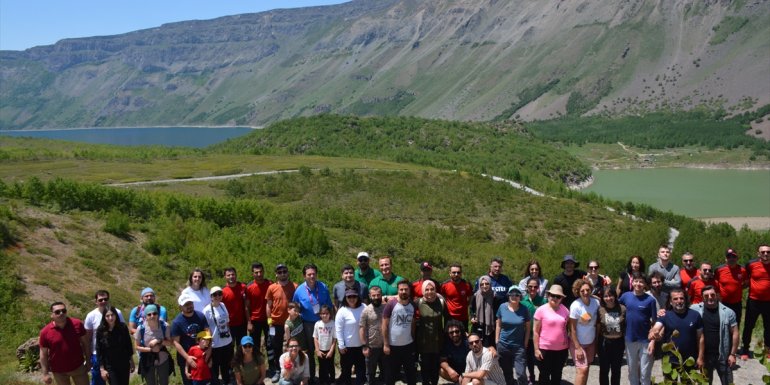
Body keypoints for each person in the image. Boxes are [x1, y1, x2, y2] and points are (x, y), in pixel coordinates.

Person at [649, 288, 703, 381]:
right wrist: (653, 332)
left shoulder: (695, 315)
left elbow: (700, 337)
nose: (679, 301)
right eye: (675, 299)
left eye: (681, 298)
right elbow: (656, 327)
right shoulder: (665, 315)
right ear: (670, 302)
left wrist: (700, 357)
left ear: (685, 300)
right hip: (670, 360)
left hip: (689, 360)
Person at [292, 263, 333, 384]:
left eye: (314, 274)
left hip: (323, 323)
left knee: (324, 349)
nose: (312, 276)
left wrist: (331, 321)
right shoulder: (299, 290)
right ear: (304, 276)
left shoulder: (323, 287)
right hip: (308, 324)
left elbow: (329, 305)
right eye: (309, 274)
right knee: (310, 352)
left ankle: (324, 377)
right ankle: (311, 377)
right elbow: (295, 307)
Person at [690, 286, 739, 385]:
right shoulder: (695, 310)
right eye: (706, 295)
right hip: (704, 356)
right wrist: (662, 312)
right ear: (702, 297)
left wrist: (733, 354)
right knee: (705, 382)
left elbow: (735, 333)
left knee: (728, 382)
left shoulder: (728, 312)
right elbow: (679, 310)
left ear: (717, 295)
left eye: (712, 295)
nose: (710, 297)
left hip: (723, 355)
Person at [618, 272, 657, 385]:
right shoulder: (625, 296)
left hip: (646, 340)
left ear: (645, 284)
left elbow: (654, 323)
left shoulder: (650, 300)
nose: (638, 284)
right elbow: (614, 307)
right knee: (632, 371)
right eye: (636, 281)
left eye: (641, 282)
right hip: (630, 338)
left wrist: (652, 341)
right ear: (632, 282)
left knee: (645, 373)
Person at [39, 302, 90, 385]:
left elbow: (86, 344)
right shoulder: (45, 332)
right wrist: (45, 373)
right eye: (57, 312)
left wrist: (88, 361)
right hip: (58, 371)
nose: (61, 313)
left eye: (64, 310)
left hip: (78, 367)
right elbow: (43, 354)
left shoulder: (77, 324)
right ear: (51, 315)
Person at [85, 290, 125, 385]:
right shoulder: (91, 316)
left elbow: (123, 333)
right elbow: (88, 338)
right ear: (96, 302)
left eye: (105, 299)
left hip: (116, 354)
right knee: (98, 381)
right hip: (97, 354)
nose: (103, 301)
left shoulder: (117, 313)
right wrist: (88, 356)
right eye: (100, 300)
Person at [266, 264, 298, 382]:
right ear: (276, 274)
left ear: (288, 273)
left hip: (291, 323)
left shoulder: (295, 286)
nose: (282, 274)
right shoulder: (272, 287)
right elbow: (268, 305)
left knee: (292, 346)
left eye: (284, 271)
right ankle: (278, 370)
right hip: (275, 323)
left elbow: (297, 304)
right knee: (276, 348)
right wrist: (269, 321)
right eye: (280, 272)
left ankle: (293, 369)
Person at [533, 285, 570, 385]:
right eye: (552, 295)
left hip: (562, 350)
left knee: (557, 375)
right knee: (544, 376)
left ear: (561, 298)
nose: (555, 298)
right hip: (545, 349)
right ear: (548, 295)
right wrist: (536, 349)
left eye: (558, 296)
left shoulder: (565, 310)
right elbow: (535, 331)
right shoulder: (541, 310)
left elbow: (568, 328)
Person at [382, 280, 417, 385]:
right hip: (393, 346)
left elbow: (413, 323)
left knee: (411, 375)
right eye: (401, 289)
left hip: (408, 345)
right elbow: (384, 325)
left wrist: (413, 339)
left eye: (406, 289)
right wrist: (386, 344)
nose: (403, 291)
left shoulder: (413, 305)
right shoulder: (391, 304)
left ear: (409, 290)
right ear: (398, 291)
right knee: (390, 376)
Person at [172, 294, 210, 385]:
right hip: (186, 357)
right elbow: (176, 342)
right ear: (180, 307)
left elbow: (207, 332)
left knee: (206, 380)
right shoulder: (177, 322)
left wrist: (209, 349)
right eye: (186, 304)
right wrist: (187, 358)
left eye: (190, 303)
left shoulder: (200, 316)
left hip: (203, 355)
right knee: (189, 381)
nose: (189, 306)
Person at [495, 286, 530, 385]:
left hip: (518, 346)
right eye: (512, 294)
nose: (514, 296)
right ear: (508, 295)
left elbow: (528, 328)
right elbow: (498, 324)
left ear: (520, 297)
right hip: (503, 345)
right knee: (507, 372)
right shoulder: (502, 307)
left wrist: (525, 342)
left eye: (517, 294)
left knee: (521, 373)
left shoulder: (524, 309)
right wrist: (497, 340)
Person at [741, 243, 770, 360]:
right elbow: (744, 278)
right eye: (763, 252)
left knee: (769, 327)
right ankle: (745, 349)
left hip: (769, 302)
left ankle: (767, 350)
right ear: (758, 254)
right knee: (748, 326)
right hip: (754, 301)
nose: (766, 254)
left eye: (768, 252)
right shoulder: (751, 264)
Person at [568, 279, 599, 385]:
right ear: (578, 291)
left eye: (588, 290)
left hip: (591, 341)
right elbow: (572, 329)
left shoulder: (596, 303)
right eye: (582, 291)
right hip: (578, 343)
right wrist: (578, 348)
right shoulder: (575, 305)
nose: (585, 292)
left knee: (587, 368)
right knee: (582, 370)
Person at [415, 280, 447, 385]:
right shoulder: (418, 302)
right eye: (427, 289)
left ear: (435, 290)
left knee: (435, 366)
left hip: (438, 340)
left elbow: (447, 319)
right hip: (423, 340)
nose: (429, 292)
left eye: (432, 289)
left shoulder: (441, 302)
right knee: (425, 366)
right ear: (423, 291)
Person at [95, 306, 135, 385]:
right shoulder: (101, 330)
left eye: (112, 315)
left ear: (116, 315)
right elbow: (99, 350)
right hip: (110, 365)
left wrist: (131, 361)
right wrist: (102, 369)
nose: (110, 318)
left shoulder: (122, 327)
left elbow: (128, 344)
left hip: (124, 363)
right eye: (107, 316)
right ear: (104, 317)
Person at [135, 304, 172, 385]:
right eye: (149, 314)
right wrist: (151, 350)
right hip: (147, 359)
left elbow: (170, 343)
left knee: (164, 382)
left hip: (163, 358)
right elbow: (137, 347)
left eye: (154, 313)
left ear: (158, 314)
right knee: (150, 383)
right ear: (145, 316)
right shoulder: (141, 328)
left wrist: (158, 341)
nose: (152, 316)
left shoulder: (165, 326)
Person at [203, 286, 234, 385]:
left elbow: (227, 322)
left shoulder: (223, 305)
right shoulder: (206, 310)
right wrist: (208, 344)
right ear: (211, 296)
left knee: (226, 365)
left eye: (219, 294)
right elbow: (205, 328)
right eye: (215, 294)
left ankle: (227, 381)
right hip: (215, 344)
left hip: (227, 341)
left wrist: (230, 337)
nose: (217, 296)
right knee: (215, 367)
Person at [336, 290, 366, 385]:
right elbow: (338, 329)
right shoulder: (342, 311)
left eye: (354, 296)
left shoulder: (364, 307)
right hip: (347, 347)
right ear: (345, 298)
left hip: (361, 345)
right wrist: (341, 345)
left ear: (358, 297)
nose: (352, 299)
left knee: (361, 368)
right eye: (349, 297)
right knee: (346, 369)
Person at [598, 287, 625, 385]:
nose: (608, 298)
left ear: (615, 296)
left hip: (618, 342)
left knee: (616, 369)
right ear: (602, 298)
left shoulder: (622, 308)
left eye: (610, 295)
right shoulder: (600, 309)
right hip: (604, 342)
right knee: (604, 369)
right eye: (606, 296)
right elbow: (597, 327)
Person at [521, 277, 545, 385]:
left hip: (540, 335)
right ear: (527, 287)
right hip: (527, 335)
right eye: (530, 286)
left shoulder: (543, 301)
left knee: (540, 358)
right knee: (529, 359)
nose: (533, 289)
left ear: (538, 288)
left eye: (535, 287)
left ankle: (543, 377)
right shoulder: (522, 302)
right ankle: (531, 376)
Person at [715, 248, 747, 330]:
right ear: (725, 259)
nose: (731, 259)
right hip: (723, 303)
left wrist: (738, 288)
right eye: (729, 257)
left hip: (737, 303)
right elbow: (715, 284)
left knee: (736, 325)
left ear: (737, 258)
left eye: (733, 256)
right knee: (723, 324)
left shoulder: (742, 270)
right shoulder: (719, 270)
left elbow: (747, 282)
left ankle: (735, 338)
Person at [359, 286, 386, 385]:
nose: (376, 297)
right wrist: (364, 346)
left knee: (385, 371)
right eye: (373, 295)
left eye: (378, 295)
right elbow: (361, 328)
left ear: (381, 295)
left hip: (384, 345)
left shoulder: (386, 308)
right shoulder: (366, 310)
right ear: (370, 296)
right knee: (370, 373)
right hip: (371, 346)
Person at [245, 263, 272, 352]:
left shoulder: (270, 284)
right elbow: (247, 306)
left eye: (261, 271)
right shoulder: (249, 287)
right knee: (255, 344)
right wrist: (249, 322)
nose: (259, 274)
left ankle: (271, 360)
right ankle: (257, 360)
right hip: (255, 320)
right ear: (252, 274)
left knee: (270, 342)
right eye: (256, 272)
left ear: (263, 271)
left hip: (269, 319)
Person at [441, 263, 473, 328]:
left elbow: (471, 297)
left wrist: (466, 305)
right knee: (449, 334)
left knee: (464, 334)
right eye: (454, 272)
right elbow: (442, 298)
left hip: (463, 317)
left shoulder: (467, 285)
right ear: (450, 273)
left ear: (461, 273)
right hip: (449, 317)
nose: (456, 274)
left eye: (458, 272)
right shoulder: (444, 285)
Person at [223, 267, 248, 347]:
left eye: (233, 274)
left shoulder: (243, 287)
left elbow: (247, 305)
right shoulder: (222, 291)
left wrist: (249, 322)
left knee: (241, 347)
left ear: (236, 275)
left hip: (242, 324)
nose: (231, 277)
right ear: (225, 277)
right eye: (228, 275)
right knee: (230, 347)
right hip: (229, 325)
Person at [470, 275, 497, 347]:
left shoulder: (494, 296)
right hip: (478, 325)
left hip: (491, 327)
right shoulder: (475, 296)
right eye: (482, 284)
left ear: (490, 284)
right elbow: (471, 309)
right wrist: (472, 317)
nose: (484, 286)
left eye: (487, 284)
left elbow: (497, 312)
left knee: (489, 348)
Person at [439, 320, 470, 385]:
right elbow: (442, 360)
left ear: (461, 331)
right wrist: (449, 370)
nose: (454, 334)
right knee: (440, 370)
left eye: (457, 331)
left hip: (468, 371)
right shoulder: (446, 344)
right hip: (455, 372)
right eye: (451, 332)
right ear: (448, 334)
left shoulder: (468, 342)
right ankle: (458, 381)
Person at [314, 305, 336, 385]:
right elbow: (315, 338)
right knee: (322, 367)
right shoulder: (317, 324)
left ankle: (332, 381)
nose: (325, 315)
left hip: (330, 350)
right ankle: (322, 381)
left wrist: (331, 351)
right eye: (323, 313)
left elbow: (334, 339)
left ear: (330, 314)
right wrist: (317, 350)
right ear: (320, 314)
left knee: (330, 366)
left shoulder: (333, 324)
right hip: (321, 350)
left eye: (327, 313)